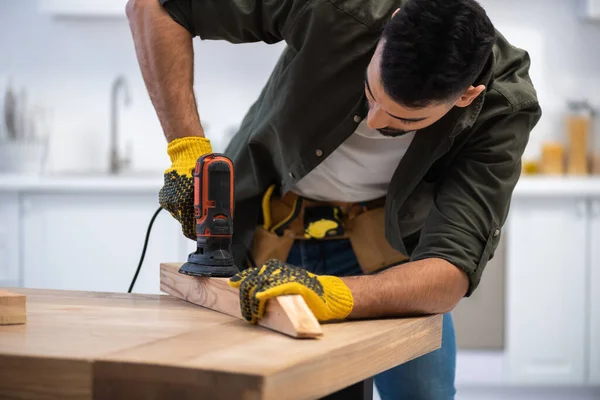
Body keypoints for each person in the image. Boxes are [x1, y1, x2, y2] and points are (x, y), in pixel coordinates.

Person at [126, 0, 541, 398]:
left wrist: (333, 295)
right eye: (371, 91)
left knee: (424, 394)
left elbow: (450, 270)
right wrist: (187, 150)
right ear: (389, 27)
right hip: (269, 234)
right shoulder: (338, 6)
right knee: (245, 386)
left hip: (390, 260)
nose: (376, 121)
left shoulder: (503, 106)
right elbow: (153, 7)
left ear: (466, 95)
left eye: (404, 121)